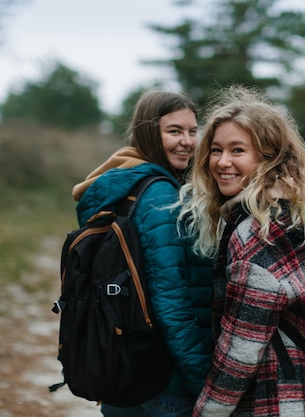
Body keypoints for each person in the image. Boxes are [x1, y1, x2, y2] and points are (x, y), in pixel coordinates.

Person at [177, 86, 305, 416]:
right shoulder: (298, 212)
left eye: (237, 150)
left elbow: (239, 352)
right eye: (216, 150)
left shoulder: (259, 232)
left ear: (267, 157)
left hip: (279, 405)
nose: (222, 162)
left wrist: (206, 413)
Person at [72, 90, 214, 417]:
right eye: (174, 131)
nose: (188, 142)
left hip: (124, 367)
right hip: (164, 382)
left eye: (193, 131)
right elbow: (172, 300)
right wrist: (202, 382)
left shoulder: (124, 186)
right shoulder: (159, 196)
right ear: (150, 132)